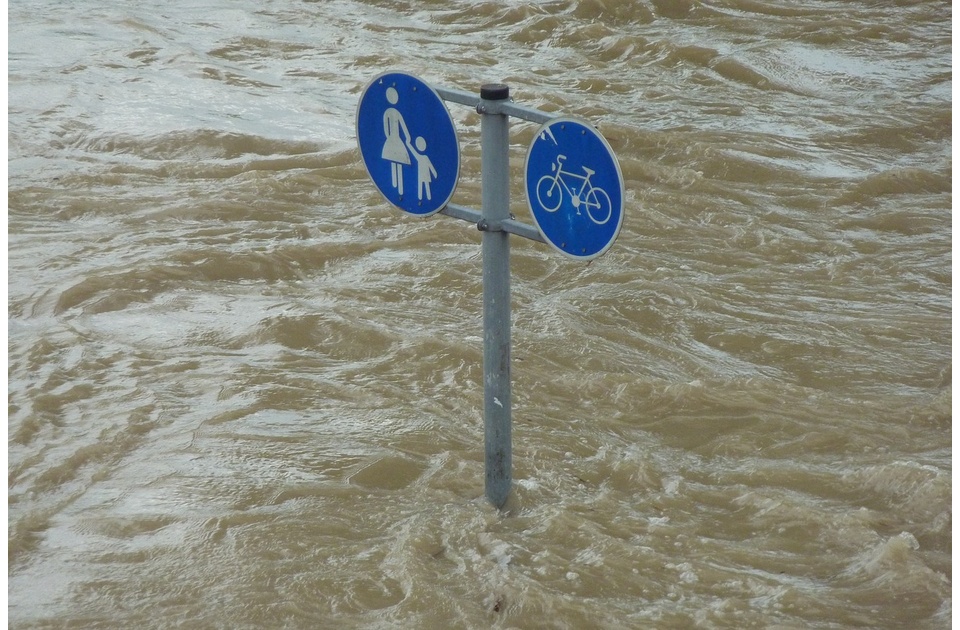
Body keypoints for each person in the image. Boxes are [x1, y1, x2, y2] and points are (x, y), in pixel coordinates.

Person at [381, 87, 411, 195]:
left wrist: (406, 136)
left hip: (393, 139)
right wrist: (406, 137)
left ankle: (399, 189)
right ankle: (397, 188)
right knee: (395, 161)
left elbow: (402, 125)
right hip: (394, 140)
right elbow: (387, 127)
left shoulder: (390, 112)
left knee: (397, 161)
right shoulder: (390, 112)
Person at [407, 136, 438, 201]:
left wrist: (434, 173)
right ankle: (421, 198)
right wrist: (408, 144)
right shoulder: (421, 157)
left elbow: (430, 165)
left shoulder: (424, 157)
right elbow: (413, 152)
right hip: (422, 174)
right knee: (421, 185)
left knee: (425, 185)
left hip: (425, 174)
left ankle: (427, 198)